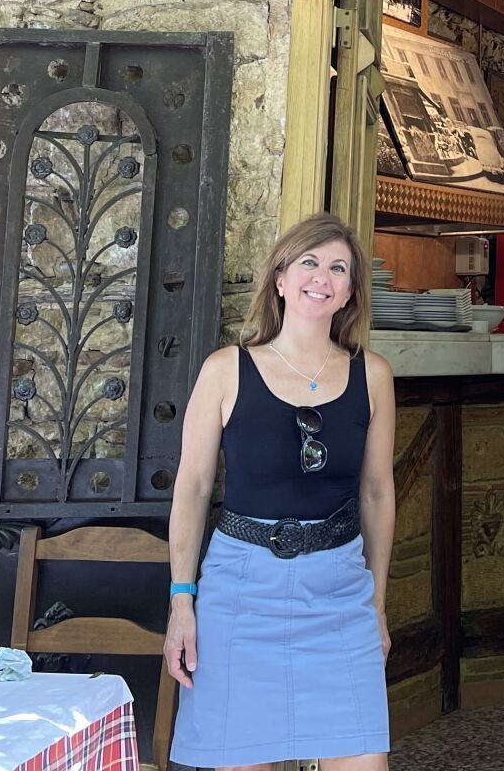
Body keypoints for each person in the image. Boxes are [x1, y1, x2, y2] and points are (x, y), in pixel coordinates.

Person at [164, 213, 397, 770]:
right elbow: (193, 489)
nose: (323, 276)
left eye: (338, 268)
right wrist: (181, 600)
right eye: (309, 262)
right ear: (281, 279)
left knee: (364, 760)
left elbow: (378, 494)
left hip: (340, 593)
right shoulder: (226, 369)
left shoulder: (374, 375)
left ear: (349, 291)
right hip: (240, 594)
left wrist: (378, 606)